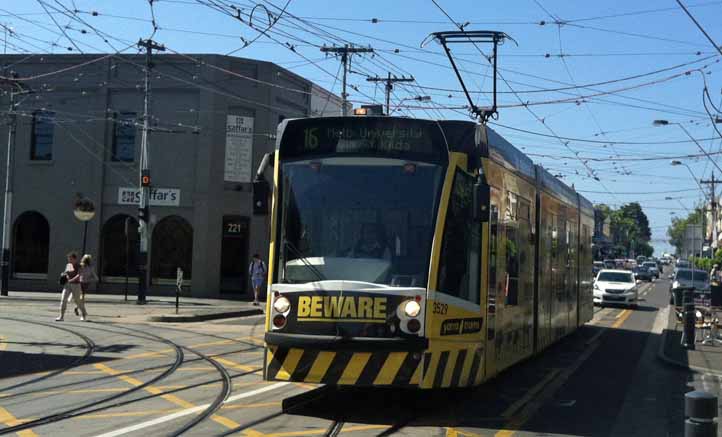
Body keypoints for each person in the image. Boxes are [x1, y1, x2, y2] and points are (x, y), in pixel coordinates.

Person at [56, 251, 87, 321]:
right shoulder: (69, 265)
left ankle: (83, 314)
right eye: (68, 259)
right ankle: (61, 316)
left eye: (71, 259)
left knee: (77, 301)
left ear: (75, 259)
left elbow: (78, 275)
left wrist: (71, 280)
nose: (69, 260)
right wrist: (63, 275)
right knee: (63, 300)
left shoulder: (79, 266)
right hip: (67, 285)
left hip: (76, 285)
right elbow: (67, 273)